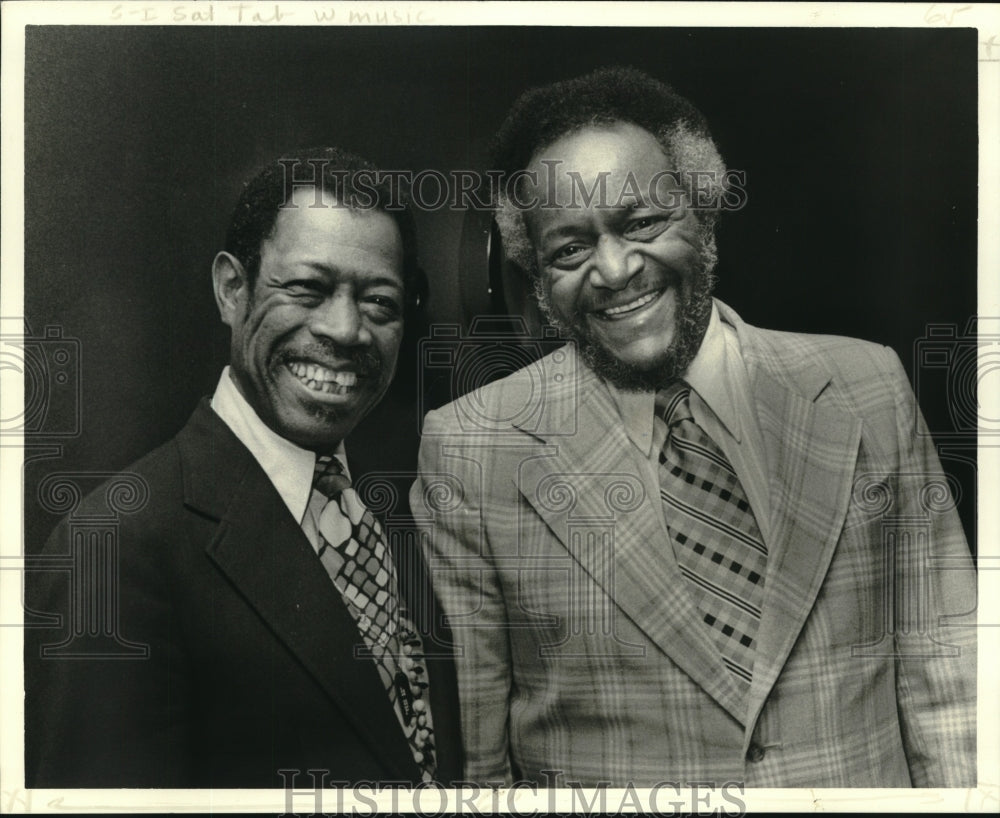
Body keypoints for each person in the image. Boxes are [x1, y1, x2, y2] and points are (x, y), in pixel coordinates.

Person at [411, 67, 976, 788]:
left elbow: (954, 687)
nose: (614, 270)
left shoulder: (869, 387)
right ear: (537, 276)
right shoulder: (469, 446)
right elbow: (483, 766)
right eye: (569, 249)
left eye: (642, 222)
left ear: (703, 214)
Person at [25, 148, 461, 787]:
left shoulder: (407, 507)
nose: (345, 330)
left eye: (379, 302)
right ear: (232, 288)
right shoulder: (116, 545)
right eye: (308, 289)